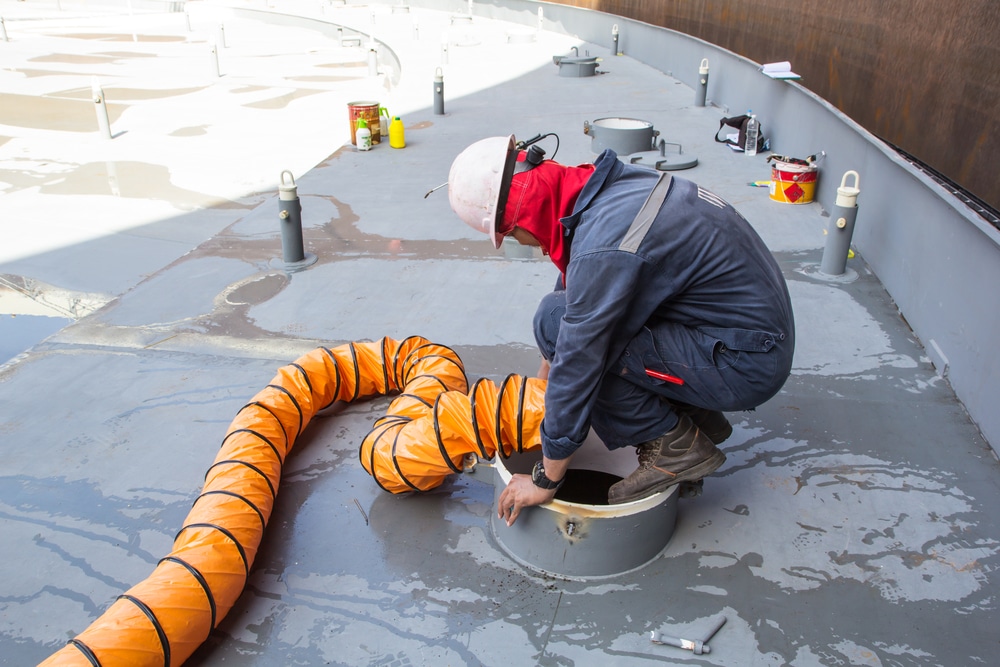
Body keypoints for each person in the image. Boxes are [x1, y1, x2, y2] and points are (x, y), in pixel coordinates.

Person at [447, 135, 794, 526]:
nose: (528, 245)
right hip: (734, 333)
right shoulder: (607, 189)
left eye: (512, 236)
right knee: (560, 323)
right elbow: (577, 289)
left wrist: (546, 477)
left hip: (744, 362)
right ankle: (697, 418)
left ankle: (674, 446)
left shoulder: (605, 248)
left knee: (561, 330)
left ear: (521, 219)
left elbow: (579, 354)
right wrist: (544, 382)